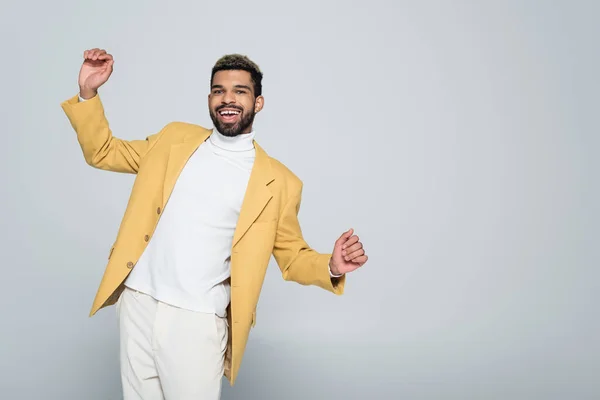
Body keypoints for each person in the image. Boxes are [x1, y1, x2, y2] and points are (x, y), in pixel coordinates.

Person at [60, 48, 369, 400]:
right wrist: (88, 93)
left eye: (241, 91)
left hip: (197, 320)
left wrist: (330, 265)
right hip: (139, 301)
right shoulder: (173, 139)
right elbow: (103, 151)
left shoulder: (279, 182)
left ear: (259, 102)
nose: (228, 98)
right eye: (219, 90)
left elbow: (292, 256)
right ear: (209, 98)